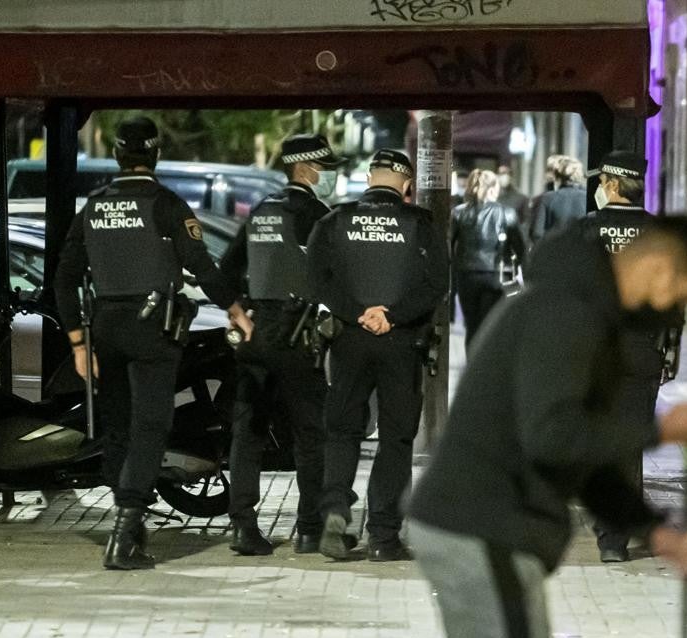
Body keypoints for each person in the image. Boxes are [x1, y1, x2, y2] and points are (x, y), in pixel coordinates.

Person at [409, 215, 687, 638]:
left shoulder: (585, 315)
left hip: (479, 527)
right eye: (682, 296)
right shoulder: (567, 313)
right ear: (659, 268)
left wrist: (651, 529)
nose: (675, 313)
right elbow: (552, 437)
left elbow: (577, 459)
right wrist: (659, 429)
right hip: (484, 527)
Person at [54, 116, 253, 570]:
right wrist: (235, 309)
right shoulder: (165, 204)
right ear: (155, 153)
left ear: (119, 153)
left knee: (119, 428)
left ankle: (131, 518)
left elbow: (64, 279)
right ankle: (124, 535)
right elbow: (201, 266)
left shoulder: (94, 206)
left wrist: (79, 344)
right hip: (152, 329)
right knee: (150, 428)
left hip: (105, 328)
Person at [527, 150, 678, 563]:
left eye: (600, 182)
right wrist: (668, 350)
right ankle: (619, 533)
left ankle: (608, 535)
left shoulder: (583, 230)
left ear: (611, 184)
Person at [307, 149, 448, 562]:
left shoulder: (333, 220)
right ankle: (383, 537)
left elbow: (318, 280)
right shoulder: (420, 224)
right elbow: (437, 282)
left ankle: (335, 510)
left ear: (370, 177)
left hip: (349, 339)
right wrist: (392, 316)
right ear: (406, 183)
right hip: (400, 341)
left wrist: (356, 313)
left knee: (343, 431)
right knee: (395, 438)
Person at [217, 134, 344, 556]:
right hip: (296, 332)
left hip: (256, 332)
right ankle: (308, 529)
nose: (329, 177)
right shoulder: (315, 214)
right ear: (307, 170)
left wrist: (237, 311)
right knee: (311, 433)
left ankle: (243, 527)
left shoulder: (260, 211)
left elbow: (227, 269)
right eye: (326, 169)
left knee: (248, 431)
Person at [452, 169, 526, 349]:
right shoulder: (507, 213)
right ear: (493, 189)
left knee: (472, 326)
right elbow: (520, 249)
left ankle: (472, 370)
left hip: (467, 275)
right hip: (497, 276)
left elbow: (448, 245)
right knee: (491, 327)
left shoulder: (458, 213)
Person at [529, 156, 587, 245]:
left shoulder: (548, 198)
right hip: (583, 253)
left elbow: (537, 233)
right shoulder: (588, 197)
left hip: (555, 254)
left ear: (557, 179)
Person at [496, 164, 532, 232]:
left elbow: (526, 222)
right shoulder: (492, 197)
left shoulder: (521, 198)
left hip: (513, 236)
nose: (504, 176)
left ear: (511, 177)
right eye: (501, 174)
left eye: (506, 173)